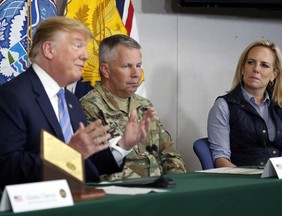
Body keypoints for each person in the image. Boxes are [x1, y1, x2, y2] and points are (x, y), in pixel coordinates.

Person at [0, 17, 154, 190]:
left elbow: (89, 162)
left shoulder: (69, 99)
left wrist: (124, 145)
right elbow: (6, 167)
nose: (86, 55)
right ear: (49, 49)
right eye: (77, 46)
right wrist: (68, 154)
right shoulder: (12, 96)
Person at [80, 34, 186, 181]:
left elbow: (169, 154)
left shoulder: (144, 105)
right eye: (126, 66)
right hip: (126, 194)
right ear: (106, 70)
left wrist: (178, 184)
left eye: (138, 66)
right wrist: (150, 186)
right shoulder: (90, 107)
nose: (136, 74)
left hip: (160, 190)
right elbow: (102, 167)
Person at [207, 39, 282, 168]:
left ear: (274, 74)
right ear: (243, 68)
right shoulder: (224, 106)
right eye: (251, 62)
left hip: (278, 180)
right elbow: (220, 159)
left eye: (264, 65)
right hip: (242, 179)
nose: (256, 69)